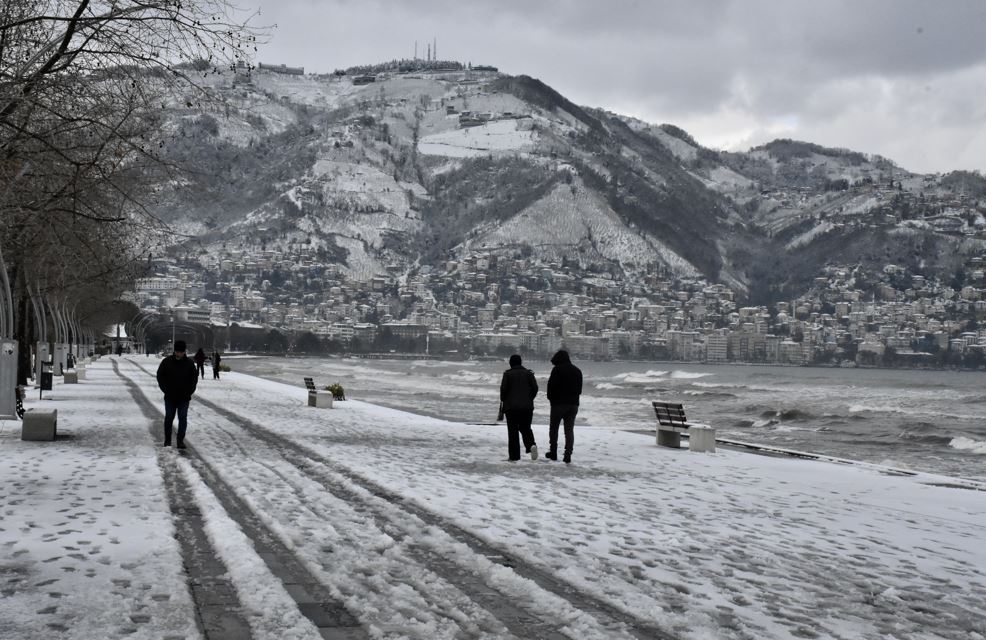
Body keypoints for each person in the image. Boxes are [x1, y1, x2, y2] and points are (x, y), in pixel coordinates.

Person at [156, 340, 198, 449]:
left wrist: (190, 391)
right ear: (174, 351)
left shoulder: (189, 363)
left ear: (184, 351)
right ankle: (167, 441)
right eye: (177, 351)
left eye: (181, 352)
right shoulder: (166, 362)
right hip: (170, 397)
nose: (179, 353)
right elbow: (160, 376)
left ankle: (180, 441)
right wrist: (165, 389)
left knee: (182, 418)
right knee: (169, 418)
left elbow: (194, 379)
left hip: (184, 398)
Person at [499, 354, 539, 461]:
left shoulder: (508, 374)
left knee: (513, 432)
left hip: (511, 408)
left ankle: (514, 456)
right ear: (521, 362)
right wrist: (530, 398)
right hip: (527, 407)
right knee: (525, 428)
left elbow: (503, 390)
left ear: (511, 363)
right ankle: (531, 445)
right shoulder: (529, 374)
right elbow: (535, 388)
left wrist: (504, 400)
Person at [546, 350, 582, 464]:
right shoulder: (577, 371)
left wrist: (551, 399)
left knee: (554, 428)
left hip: (558, 404)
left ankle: (553, 452)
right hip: (573, 405)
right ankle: (568, 453)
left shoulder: (557, 369)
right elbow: (579, 390)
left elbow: (551, 386)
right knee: (569, 430)